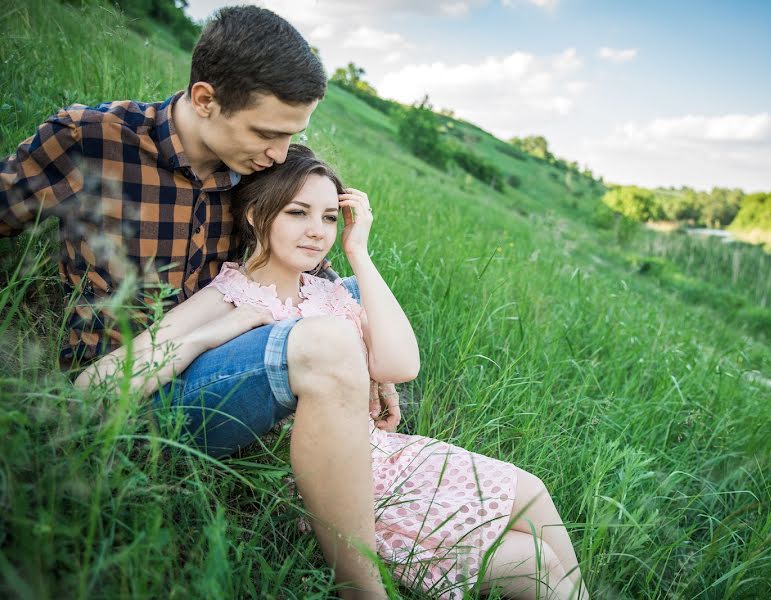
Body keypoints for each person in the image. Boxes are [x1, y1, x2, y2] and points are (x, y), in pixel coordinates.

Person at [76, 144, 590, 599]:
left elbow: (400, 365)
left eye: (327, 217)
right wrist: (212, 335)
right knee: (539, 567)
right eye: (298, 213)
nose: (316, 232)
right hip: (335, 477)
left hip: (385, 454)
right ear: (256, 215)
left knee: (534, 491)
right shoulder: (231, 295)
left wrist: (358, 252)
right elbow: (93, 385)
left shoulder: (330, 291)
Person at [1, 6, 392, 598]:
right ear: (205, 98)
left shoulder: (257, 172)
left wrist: (366, 350)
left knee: (356, 298)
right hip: (124, 395)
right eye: (267, 133)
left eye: (294, 135)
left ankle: (347, 456)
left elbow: (302, 265)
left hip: (220, 363)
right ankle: (364, 590)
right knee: (329, 342)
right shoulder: (92, 140)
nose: (282, 154)